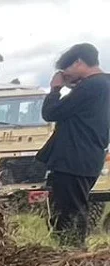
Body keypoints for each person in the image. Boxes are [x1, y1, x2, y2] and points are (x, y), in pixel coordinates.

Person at [37, 43, 110, 248]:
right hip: (89, 157)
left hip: (73, 160)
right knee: (74, 208)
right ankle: (73, 252)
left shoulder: (91, 86)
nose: (65, 74)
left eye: (67, 68)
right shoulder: (103, 85)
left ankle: (73, 255)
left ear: (79, 62)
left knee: (69, 214)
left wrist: (55, 89)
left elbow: (51, 113)